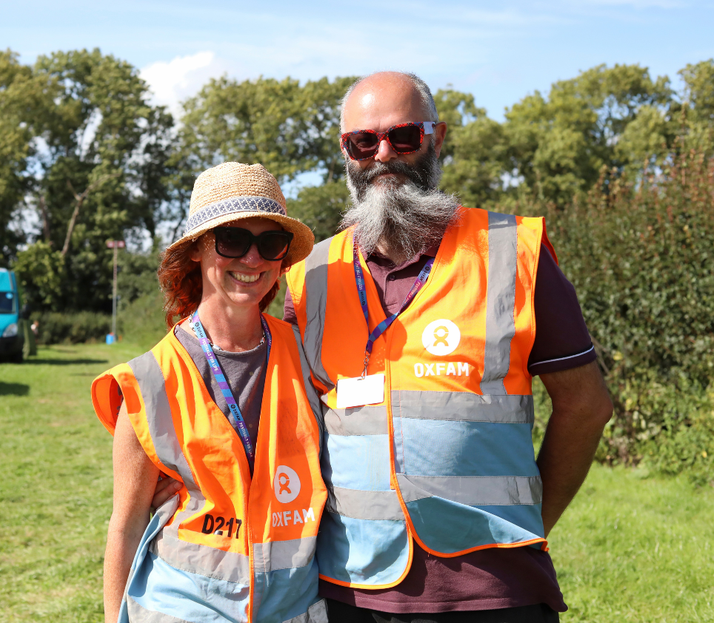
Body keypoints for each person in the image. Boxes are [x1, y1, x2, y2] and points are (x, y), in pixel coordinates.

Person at [283, 72, 614, 622]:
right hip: (347, 591)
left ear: (438, 140)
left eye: (403, 136)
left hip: (495, 592)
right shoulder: (309, 276)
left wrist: (530, 522)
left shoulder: (514, 252)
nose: (383, 154)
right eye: (363, 142)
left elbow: (587, 405)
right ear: (346, 154)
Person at [91, 162, 330, 623]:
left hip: (293, 610)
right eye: (233, 240)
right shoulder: (148, 380)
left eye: (270, 243)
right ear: (198, 249)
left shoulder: (307, 355)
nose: (253, 259)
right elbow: (125, 526)